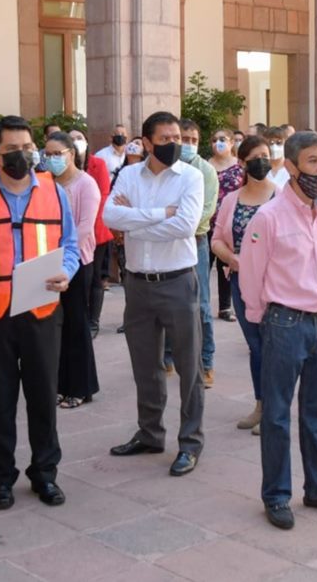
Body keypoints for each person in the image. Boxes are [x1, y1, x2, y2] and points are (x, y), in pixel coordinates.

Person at [0, 117, 80, 509]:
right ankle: (2, 478)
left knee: (43, 397)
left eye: (26, 147)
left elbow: (71, 245)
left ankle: (45, 474)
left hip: (41, 308)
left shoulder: (54, 192)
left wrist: (66, 272)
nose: (21, 155)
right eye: (11, 150)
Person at [239, 130, 317, 529]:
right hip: (285, 323)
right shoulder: (269, 216)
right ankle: (276, 495)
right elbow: (251, 275)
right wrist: (261, 321)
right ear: (291, 167)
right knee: (277, 414)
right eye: (312, 161)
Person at [103, 111, 206, 478]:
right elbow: (110, 217)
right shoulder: (129, 174)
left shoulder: (190, 176)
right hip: (137, 284)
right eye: (164, 139)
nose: (173, 144)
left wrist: (135, 222)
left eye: (176, 137)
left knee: (189, 367)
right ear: (146, 142)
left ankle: (190, 442)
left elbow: (185, 226)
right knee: (145, 365)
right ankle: (150, 434)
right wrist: (161, 213)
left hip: (178, 281)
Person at [211, 136, 276, 433]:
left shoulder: (282, 196)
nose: (262, 161)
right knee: (255, 344)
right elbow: (217, 239)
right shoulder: (231, 200)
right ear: (242, 163)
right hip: (241, 279)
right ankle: (261, 404)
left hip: (276, 281)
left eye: (266, 155)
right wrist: (232, 259)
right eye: (256, 157)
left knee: (274, 344)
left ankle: (275, 408)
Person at [43, 132, 101, 409]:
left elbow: (84, 228)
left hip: (76, 261)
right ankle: (58, 384)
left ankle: (80, 387)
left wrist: (64, 258)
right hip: (47, 262)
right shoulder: (45, 183)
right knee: (53, 327)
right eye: (48, 154)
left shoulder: (86, 184)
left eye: (58, 154)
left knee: (76, 324)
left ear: (71, 154)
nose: (52, 159)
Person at [179, 118, 219, 385]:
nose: (188, 144)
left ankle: (206, 362)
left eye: (193, 140)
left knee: (202, 303)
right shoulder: (164, 167)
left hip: (196, 240)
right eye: (184, 139)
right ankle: (168, 357)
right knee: (170, 303)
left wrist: (178, 224)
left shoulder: (206, 171)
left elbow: (207, 209)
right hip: (169, 243)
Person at [70, 129, 113, 336]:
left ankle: (93, 321)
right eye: (71, 139)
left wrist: (87, 229)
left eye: (79, 138)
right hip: (71, 232)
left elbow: (103, 196)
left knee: (95, 277)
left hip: (96, 230)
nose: (75, 142)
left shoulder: (98, 164)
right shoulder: (63, 168)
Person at [208, 127, 243, 322]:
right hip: (207, 223)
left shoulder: (239, 167)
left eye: (222, 139)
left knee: (226, 266)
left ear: (231, 142)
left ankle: (225, 307)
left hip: (229, 223)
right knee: (204, 266)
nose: (218, 143)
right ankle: (201, 305)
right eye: (214, 140)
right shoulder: (206, 166)